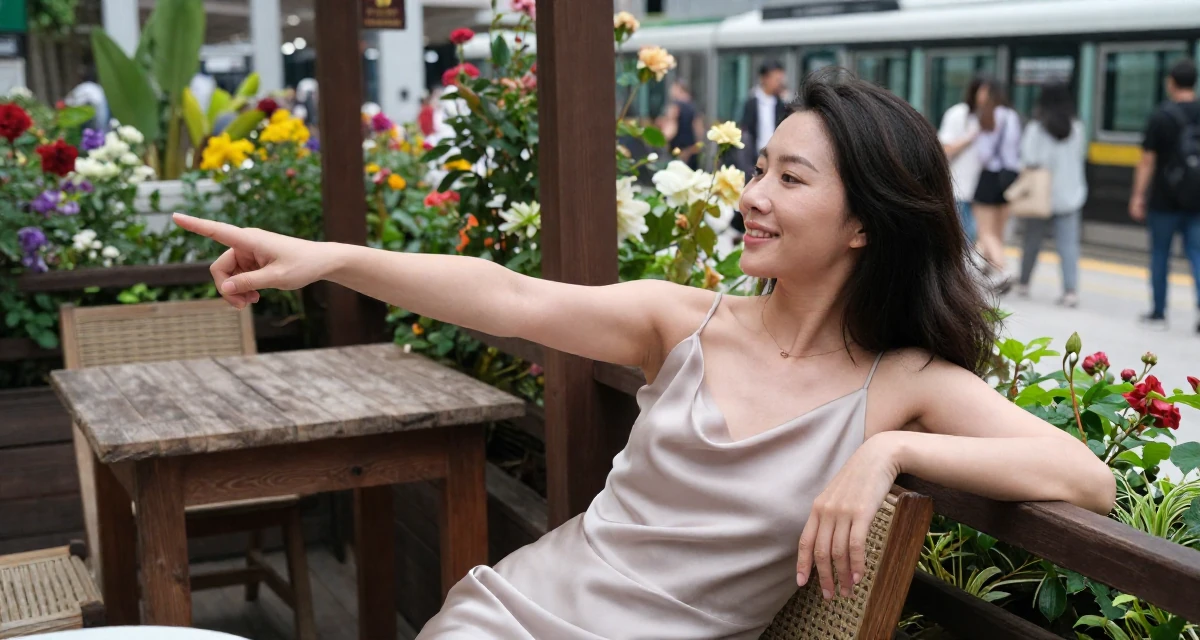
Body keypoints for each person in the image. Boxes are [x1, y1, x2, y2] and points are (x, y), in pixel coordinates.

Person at [173, 69, 1114, 640]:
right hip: (518, 615)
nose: (753, 194)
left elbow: (1085, 478)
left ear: (866, 221)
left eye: (789, 178)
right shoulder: (687, 320)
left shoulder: (904, 384)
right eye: (758, 169)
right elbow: (508, 293)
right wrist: (330, 259)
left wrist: (890, 451)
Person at [1130, 58, 1200, 332]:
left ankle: (1159, 312)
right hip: (1197, 199)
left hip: (1164, 198)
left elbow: (1147, 161)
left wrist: (1137, 195)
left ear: (1171, 82)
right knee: (1197, 253)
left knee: (1160, 253)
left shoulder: (1161, 115)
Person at [1015, 84, 1088, 307]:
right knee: (1068, 245)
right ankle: (1070, 291)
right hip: (1070, 195)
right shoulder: (1077, 128)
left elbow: (1028, 159)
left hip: (1040, 195)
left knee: (1031, 241)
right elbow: (1081, 155)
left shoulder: (1036, 128)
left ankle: (1025, 283)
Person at [970, 78, 1022, 292]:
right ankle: (992, 272)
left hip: (990, 175)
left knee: (985, 230)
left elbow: (983, 153)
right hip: (1010, 176)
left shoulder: (990, 116)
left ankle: (1003, 269)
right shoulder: (1012, 116)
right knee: (998, 229)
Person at [732, 61, 790, 235]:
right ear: (764, 79)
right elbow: (744, 131)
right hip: (754, 157)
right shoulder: (750, 103)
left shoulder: (781, 103)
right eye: (776, 79)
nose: (779, 83)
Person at [938, 77, 984, 244]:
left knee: (976, 236)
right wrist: (969, 138)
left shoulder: (991, 116)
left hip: (983, 189)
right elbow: (945, 148)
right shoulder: (958, 114)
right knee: (965, 235)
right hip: (960, 187)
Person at [659, 81, 704, 169]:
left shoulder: (675, 107)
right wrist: (696, 147)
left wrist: (662, 140)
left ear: (679, 89)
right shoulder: (694, 106)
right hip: (691, 150)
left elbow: (671, 128)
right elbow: (699, 129)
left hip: (677, 149)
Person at [64, 65, 108, 133]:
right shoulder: (99, 89)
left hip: (87, 122)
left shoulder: (84, 87)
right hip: (102, 124)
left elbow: (67, 102)